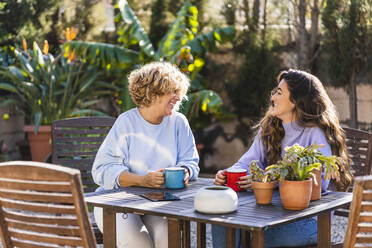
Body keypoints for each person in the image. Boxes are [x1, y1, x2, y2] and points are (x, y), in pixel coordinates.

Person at [213, 69, 352, 248]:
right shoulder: (270, 129)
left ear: (295, 100)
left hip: (309, 219)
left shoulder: (314, 134)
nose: (273, 98)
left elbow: (321, 183)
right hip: (274, 213)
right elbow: (247, 161)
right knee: (221, 223)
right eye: (274, 92)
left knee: (249, 237)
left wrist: (269, 179)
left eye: (279, 93)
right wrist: (227, 174)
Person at [92, 61, 200, 248]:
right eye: (172, 91)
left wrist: (185, 173)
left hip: (157, 204)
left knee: (169, 241)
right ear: (154, 93)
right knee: (140, 244)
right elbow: (102, 170)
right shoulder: (126, 122)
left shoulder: (178, 122)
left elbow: (190, 162)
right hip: (116, 203)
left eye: (178, 91)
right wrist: (142, 180)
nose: (178, 97)